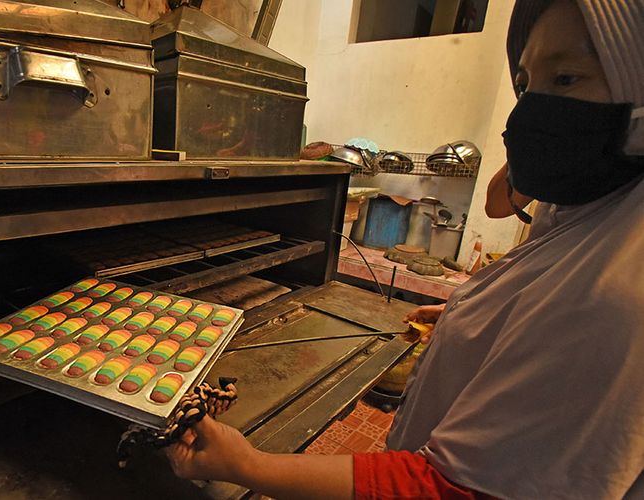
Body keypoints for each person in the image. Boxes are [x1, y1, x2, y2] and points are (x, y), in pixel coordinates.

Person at [165, 1, 644, 497]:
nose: (530, 111)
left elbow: (450, 490)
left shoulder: (616, 297)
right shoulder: (597, 213)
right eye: (525, 84)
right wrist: (479, 318)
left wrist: (248, 465)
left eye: (565, 78)